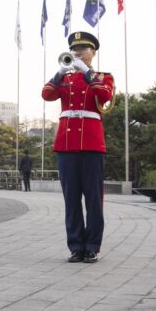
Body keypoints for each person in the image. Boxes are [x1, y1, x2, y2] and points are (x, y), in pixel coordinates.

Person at [42, 32, 114, 264]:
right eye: (75, 49)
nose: (78, 52)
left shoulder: (103, 77)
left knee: (93, 200)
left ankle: (92, 246)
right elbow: (47, 94)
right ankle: (76, 246)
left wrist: (87, 72)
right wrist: (60, 73)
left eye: (83, 48)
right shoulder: (65, 78)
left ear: (94, 52)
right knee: (71, 200)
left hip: (92, 144)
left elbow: (105, 95)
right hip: (66, 144)